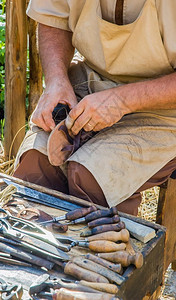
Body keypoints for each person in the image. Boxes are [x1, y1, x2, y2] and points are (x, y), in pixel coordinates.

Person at [14, 0, 176, 216]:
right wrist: (56, 80)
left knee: (91, 177)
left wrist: (122, 101)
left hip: (166, 105)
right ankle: (37, 245)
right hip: (92, 79)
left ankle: (106, 245)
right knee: (36, 162)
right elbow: (54, 18)